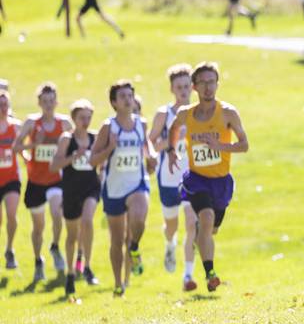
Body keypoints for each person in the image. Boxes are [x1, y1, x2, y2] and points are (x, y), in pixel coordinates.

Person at [167, 62, 249, 292]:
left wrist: (220, 145)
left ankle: (199, 242)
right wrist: (172, 151)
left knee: (210, 230)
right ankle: (210, 273)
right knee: (206, 218)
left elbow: (244, 145)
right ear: (194, 86)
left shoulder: (228, 113)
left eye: (211, 81)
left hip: (221, 182)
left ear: (217, 84)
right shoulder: (186, 114)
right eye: (202, 82)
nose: (207, 87)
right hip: (197, 179)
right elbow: (173, 130)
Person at [90, 81, 157, 297]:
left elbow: (147, 147)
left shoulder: (141, 124)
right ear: (114, 102)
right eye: (123, 96)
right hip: (114, 189)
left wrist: (152, 158)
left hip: (137, 183)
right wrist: (110, 147)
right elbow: (92, 161)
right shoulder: (108, 127)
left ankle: (135, 247)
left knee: (138, 220)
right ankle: (119, 283)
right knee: (117, 241)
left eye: (130, 95)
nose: (128, 99)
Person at [12, 83, 73, 282]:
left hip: (56, 180)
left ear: (57, 102)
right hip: (36, 181)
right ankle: (38, 260)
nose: (48, 104)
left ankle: (55, 246)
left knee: (58, 214)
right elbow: (16, 147)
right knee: (38, 227)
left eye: (51, 100)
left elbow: (75, 143)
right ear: (39, 102)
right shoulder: (31, 123)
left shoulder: (63, 124)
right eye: (44, 101)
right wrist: (31, 149)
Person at [149, 64, 199, 290]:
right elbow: (149, 145)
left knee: (192, 225)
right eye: (179, 87)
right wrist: (173, 139)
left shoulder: (199, 112)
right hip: (168, 178)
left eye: (187, 86)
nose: (184, 91)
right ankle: (170, 244)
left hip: (193, 178)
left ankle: (188, 276)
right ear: (172, 88)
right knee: (172, 226)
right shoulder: (164, 114)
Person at [50, 100, 101, 297]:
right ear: (74, 119)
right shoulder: (66, 139)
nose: (86, 122)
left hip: (90, 187)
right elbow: (54, 166)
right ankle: (71, 273)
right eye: (82, 118)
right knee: (71, 236)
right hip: (71, 191)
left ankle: (87, 266)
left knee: (87, 221)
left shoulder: (94, 137)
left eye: (89, 117)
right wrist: (73, 156)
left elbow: (100, 160)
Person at [0, 90, 21, 269]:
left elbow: (25, 147)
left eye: (5, 104)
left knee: (11, 214)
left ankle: (9, 248)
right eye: (0, 105)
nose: (3, 108)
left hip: (12, 178)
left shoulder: (16, 127)